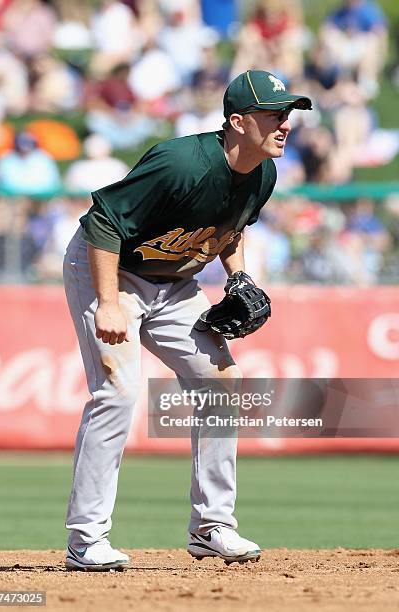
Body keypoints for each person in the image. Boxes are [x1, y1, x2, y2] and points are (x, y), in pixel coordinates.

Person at [63, 69, 312, 571]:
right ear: (238, 122)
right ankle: (86, 539)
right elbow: (102, 222)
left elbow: (232, 229)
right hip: (112, 272)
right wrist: (109, 304)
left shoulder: (263, 171)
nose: (285, 123)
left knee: (221, 383)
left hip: (176, 284)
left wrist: (237, 278)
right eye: (273, 115)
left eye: (288, 114)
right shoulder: (181, 163)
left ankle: (212, 526)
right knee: (118, 391)